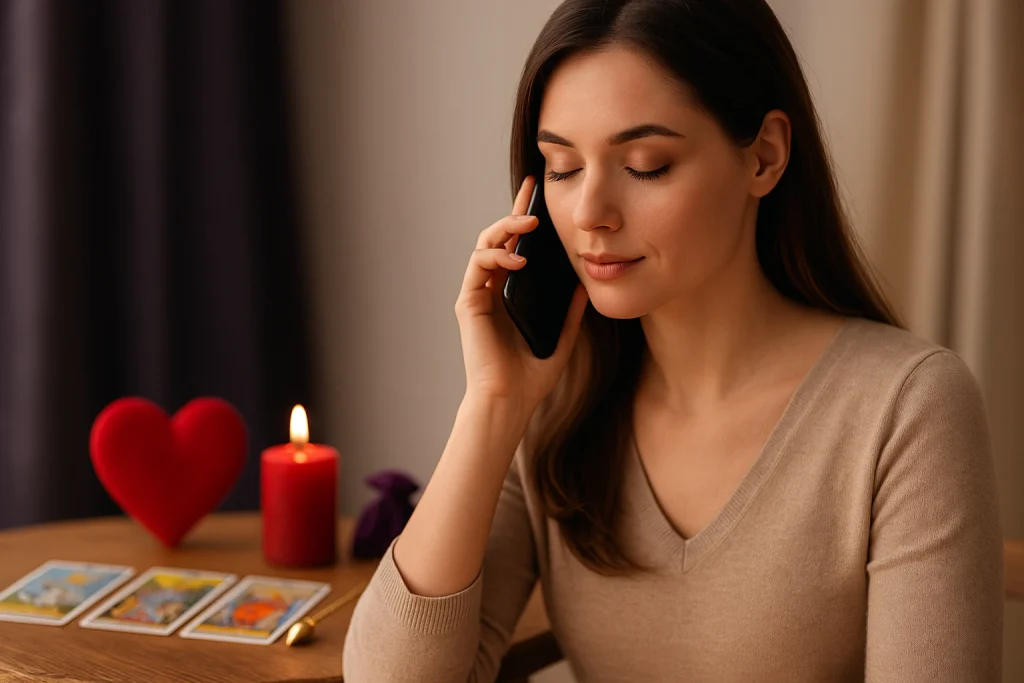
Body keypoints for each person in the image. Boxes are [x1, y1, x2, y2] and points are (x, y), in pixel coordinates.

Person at [342, 0, 1004, 681]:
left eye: (646, 165)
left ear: (765, 156)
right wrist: (493, 404)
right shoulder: (556, 406)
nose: (591, 214)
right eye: (563, 168)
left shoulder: (906, 407)